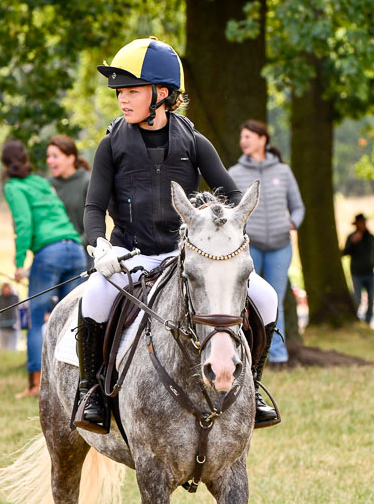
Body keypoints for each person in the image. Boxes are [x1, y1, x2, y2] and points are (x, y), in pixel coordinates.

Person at [72, 36, 280, 434]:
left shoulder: (194, 143)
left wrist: (215, 219)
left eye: (132, 91)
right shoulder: (110, 145)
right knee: (95, 296)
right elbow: (94, 207)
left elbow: (235, 198)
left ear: (161, 94)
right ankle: (92, 392)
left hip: (187, 258)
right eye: (120, 92)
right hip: (130, 256)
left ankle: (251, 386)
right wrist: (99, 246)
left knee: (267, 298)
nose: (122, 99)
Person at [1, 140, 87, 398]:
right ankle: (73, 383)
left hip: (49, 253)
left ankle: (36, 384)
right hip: (75, 249)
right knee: (71, 320)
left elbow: (23, 224)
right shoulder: (41, 182)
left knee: (36, 318)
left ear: (5, 164)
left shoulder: (13, 187)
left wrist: (18, 263)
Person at [228, 120, 305, 367]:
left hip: (281, 247)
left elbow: (298, 206)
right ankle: (247, 355)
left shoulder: (283, 171)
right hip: (250, 248)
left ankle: (278, 356)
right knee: (243, 300)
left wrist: (292, 224)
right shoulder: (235, 173)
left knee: (275, 300)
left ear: (263, 139)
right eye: (242, 137)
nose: (244, 142)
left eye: (248, 136)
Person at [47, 135, 91, 265]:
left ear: (70, 158)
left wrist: (75, 247)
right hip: (55, 255)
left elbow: (93, 223)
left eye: (55, 156)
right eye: (48, 156)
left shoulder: (87, 181)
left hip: (84, 255)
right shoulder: (47, 185)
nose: (49, 161)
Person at [342, 213, 374, 324]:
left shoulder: (371, 237)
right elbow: (344, 252)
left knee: (371, 299)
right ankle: (356, 319)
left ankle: (367, 321)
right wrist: (352, 243)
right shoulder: (351, 237)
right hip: (357, 273)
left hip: (370, 272)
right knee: (357, 298)